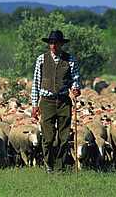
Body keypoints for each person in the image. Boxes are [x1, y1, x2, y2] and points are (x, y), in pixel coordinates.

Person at [31, 30, 81, 173]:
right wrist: (35, 104)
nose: (53, 45)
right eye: (51, 43)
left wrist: (76, 89)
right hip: (46, 101)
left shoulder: (70, 59)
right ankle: (49, 165)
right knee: (48, 137)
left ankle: (60, 167)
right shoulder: (41, 59)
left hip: (64, 101)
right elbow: (36, 82)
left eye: (56, 43)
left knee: (63, 137)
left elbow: (75, 79)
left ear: (62, 44)